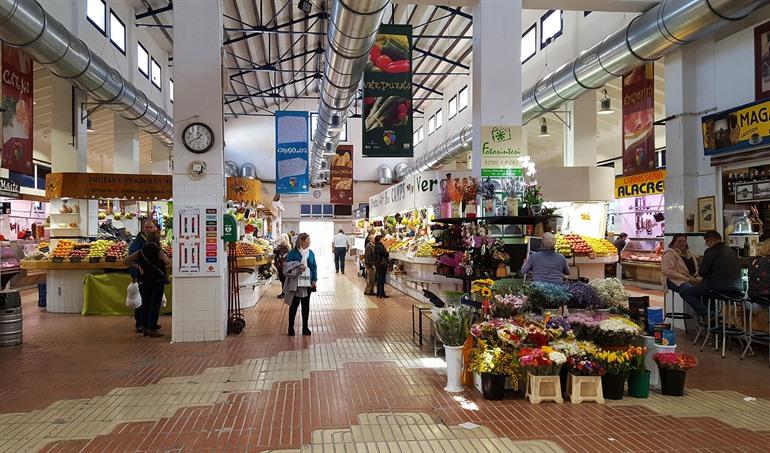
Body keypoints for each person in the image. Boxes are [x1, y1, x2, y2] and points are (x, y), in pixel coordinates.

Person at [680, 230, 743, 321]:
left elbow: (702, 272)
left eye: (706, 242)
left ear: (710, 240)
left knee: (685, 291)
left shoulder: (711, 251)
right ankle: (714, 321)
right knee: (704, 293)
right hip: (736, 291)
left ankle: (708, 314)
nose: (707, 244)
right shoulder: (732, 251)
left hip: (716, 289)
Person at [125, 230, 170, 337]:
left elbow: (126, 260)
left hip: (144, 280)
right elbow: (167, 261)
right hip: (157, 281)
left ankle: (145, 327)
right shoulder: (158, 250)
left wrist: (138, 267)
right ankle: (152, 328)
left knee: (145, 303)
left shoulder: (141, 251)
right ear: (157, 239)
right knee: (154, 305)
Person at [283, 233, 318, 336]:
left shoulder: (310, 253)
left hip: (307, 283)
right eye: (308, 240)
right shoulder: (293, 253)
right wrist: (299, 268)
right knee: (294, 306)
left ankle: (305, 327)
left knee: (305, 306)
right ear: (302, 241)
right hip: (296, 283)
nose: (310, 241)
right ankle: (290, 327)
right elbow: (288, 267)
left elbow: (314, 267)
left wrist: (314, 279)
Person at [128, 219, 158, 333]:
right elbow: (130, 259)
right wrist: (135, 273)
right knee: (141, 301)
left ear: (154, 228)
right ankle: (139, 323)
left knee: (150, 300)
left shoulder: (154, 240)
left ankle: (149, 323)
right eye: (147, 227)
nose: (149, 229)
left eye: (151, 227)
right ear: (143, 228)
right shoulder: (138, 241)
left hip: (152, 276)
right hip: (141, 276)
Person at [273, 233, 291, 298]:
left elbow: (274, 251)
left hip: (281, 266)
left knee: (282, 279)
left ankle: (284, 293)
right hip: (286, 265)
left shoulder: (281, 247)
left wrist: (277, 243)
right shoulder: (289, 246)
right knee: (285, 279)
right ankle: (286, 293)